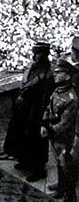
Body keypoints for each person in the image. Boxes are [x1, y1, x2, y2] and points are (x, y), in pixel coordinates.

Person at [4, 40, 54, 182]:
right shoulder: (32, 68)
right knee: (23, 137)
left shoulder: (48, 74)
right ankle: (25, 161)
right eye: (35, 53)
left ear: (44, 56)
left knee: (36, 140)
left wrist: (43, 119)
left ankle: (39, 169)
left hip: (36, 111)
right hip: (26, 109)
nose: (35, 56)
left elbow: (45, 98)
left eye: (38, 54)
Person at [41, 58, 78, 202]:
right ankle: (61, 187)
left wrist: (49, 130)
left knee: (67, 166)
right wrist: (44, 124)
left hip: (65, 138)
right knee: (58, 162)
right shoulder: (57, 91)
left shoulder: (71, 98)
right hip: (55, 136)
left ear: (67, 76)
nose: (55, 74)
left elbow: (66, 124)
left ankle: (70, 195)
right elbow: (48, 109)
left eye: (59, 72)